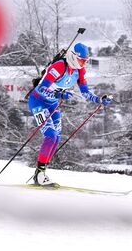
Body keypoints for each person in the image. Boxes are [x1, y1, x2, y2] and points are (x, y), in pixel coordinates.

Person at [28, 42, 111, 186]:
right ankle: (40, 174)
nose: (83, 64)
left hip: (52, 103)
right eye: (82, 60)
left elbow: (85, 92)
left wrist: (99, 100)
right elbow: (41, 89)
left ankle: (41, 173)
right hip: (38, 102)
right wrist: (58, 93)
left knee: (57, 137)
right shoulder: (59, 66)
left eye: (86, 61)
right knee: (50, 135)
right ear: (73, 57)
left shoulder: (80, 71)